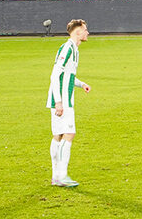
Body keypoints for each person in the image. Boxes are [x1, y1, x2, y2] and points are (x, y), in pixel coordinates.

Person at [48, 19, 92, 188]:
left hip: (62, 98)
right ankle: (61, 175)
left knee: (58, 136)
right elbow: (54, 75)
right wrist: (59, 102)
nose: (87, 32)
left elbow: (67, 75)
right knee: (69, 134)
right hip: (62, 100)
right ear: (78, 32)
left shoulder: (74, 49)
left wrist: (81, 84)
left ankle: (56, 176)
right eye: (85, 30)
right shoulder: (67, 48)